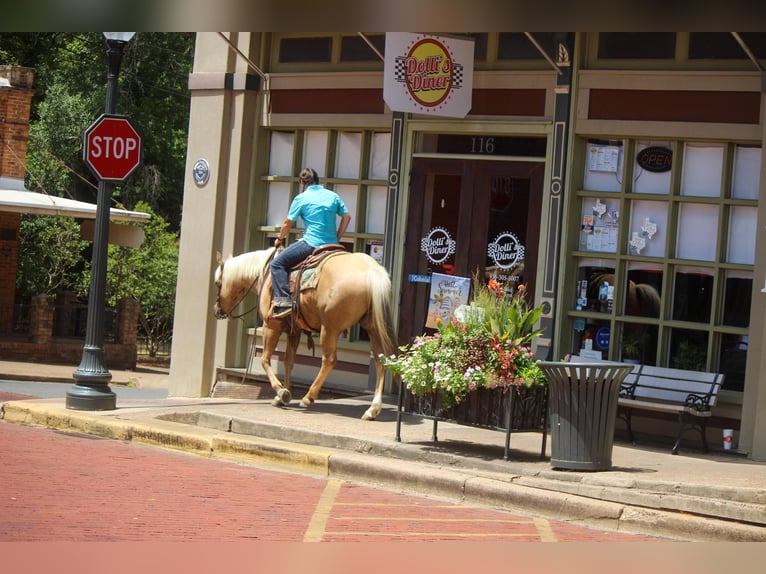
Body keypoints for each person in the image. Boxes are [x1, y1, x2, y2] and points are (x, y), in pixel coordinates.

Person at [270, 167, 351, 319]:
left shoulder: (301, 198)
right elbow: (347, 217)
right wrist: (337, 237)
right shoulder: (333, 195)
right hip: (333, 245)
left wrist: (279, 239)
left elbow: (288, 223)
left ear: (302, 182)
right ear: (318, 181)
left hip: (312, 243)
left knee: (276, 265)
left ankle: (283, 304)